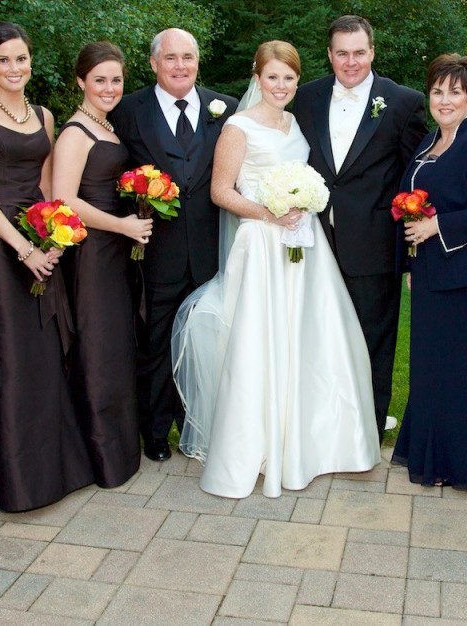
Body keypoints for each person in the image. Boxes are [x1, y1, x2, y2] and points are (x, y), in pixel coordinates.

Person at [172, 40, 380, 498]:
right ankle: (256, 447)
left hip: (303, 243)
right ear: (257, 77)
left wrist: (301, 203)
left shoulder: (294, 123)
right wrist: (270, 212)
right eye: (272, 77)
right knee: (261, 341)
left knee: (311, 337)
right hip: (262, 244)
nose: (281, 85)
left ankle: (313, 442)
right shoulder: (237, 127)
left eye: (289, 78)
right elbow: (221, 192)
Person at [0, 22, 93, 511]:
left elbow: (46, 190)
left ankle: (52, 468)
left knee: (43, 355)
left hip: (41, 242)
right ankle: (11, 476)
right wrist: (23, 248)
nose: (14, 68)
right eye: (4, 61)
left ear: (30, 62)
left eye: (21, 59)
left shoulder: (44, 115)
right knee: (8, 358)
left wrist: (55, 236)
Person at [292, 15, 428, 441]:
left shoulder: (403, 102)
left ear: (373, 52)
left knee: (373, 341)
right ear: (330, 55)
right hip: (313, 242)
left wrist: (412, 246)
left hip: (372, 244)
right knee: (316, 338)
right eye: (342, 53)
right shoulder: (305, 97)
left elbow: (414, 178)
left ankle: (366, 431)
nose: (351, 62)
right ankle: (321, 429)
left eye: (359, 52)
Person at [111, 29, 238, 462]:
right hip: (155, 249)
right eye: (171, 58)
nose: (180, 65)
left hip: (209, 248)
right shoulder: (127, 111)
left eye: (188, 57)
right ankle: (154, 429)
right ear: (153, 64)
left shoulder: (227, 109)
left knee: (204, 338)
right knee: (156, 340)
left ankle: (197, 424)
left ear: (198, 61)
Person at [392, 54, 467, 489]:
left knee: (460, 374)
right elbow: (411, 208)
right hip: (428, 277)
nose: (444, 100)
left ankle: (461, 465)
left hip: (465, 281)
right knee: (431, 371)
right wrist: (409, 262)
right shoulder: (427, 142)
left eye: (454, 92)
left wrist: (437, 225)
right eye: (438, 91)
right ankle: (433, 456)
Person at [52, 42, 153, 488]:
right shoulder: (76, 132)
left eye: (116, 79)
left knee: (115, 348)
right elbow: (64, 200)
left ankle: (118, 448)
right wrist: (121, 225)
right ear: (80, 81)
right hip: (92, 253)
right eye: (100, 80)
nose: (110, 88)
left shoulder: (106, 127)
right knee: (96, 348)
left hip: (116, 251)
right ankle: (99, 456)